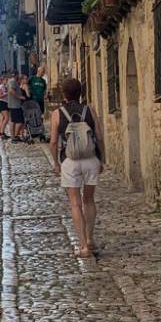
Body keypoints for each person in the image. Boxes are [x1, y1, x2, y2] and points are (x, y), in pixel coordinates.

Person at [49, 77, 105, 258]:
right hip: (90, 159)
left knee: (75, 203)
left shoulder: (57, 113)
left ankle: (83, 247)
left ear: (64, 94)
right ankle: (89, 239)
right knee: (89, 200)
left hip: (70, 161)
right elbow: (99, 136)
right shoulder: (90, 110)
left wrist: (56, 163)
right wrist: (101, 159)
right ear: (81, 93)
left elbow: (53, 142)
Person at [6, 73, 26, 142]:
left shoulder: (11, 81)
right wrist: (19, 96)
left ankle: (14, 136)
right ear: (16, 75)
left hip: (14, 104)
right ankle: (15, 136)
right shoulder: (12, 81)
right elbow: (11, 90)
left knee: (14, 121)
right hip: (15, 105)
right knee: (19, 121)